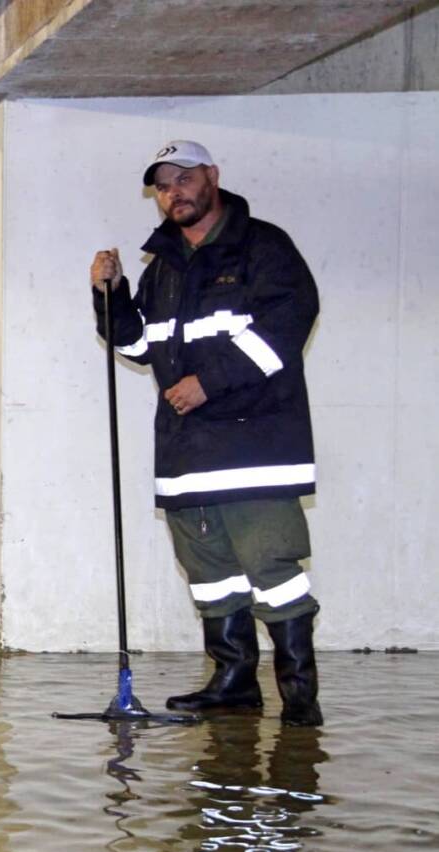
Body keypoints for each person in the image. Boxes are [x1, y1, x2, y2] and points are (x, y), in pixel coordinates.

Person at [90, 139, 322, 726]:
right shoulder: (164, 265)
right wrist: (110, 296)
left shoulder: (263, 247)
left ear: (212, 177)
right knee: (212, 575)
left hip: (254, 450)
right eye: (164, 183)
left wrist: (207, 383)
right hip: (186, 452)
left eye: (185, 178)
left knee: (272, 572)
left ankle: (299, 698)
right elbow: (139, 347)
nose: (175, 191)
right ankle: (233, 682)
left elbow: (287, 325)